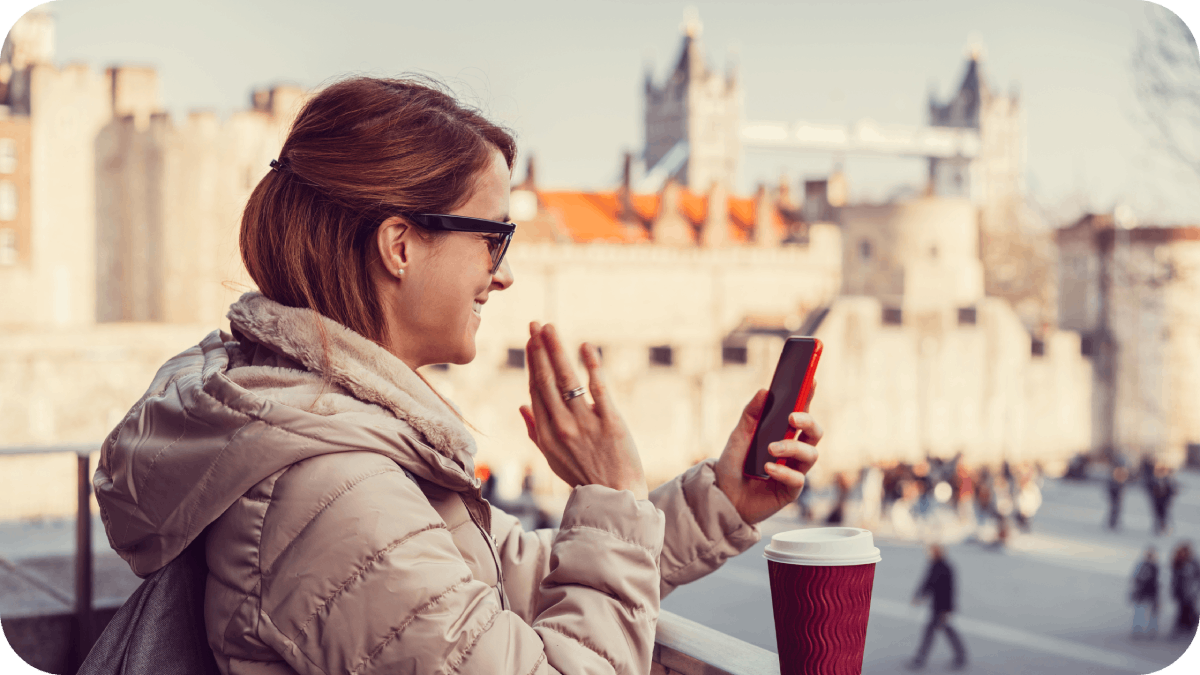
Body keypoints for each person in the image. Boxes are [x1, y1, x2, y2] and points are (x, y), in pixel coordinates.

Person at [92, 77, 827, 674]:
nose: (502, 276)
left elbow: (506, 575)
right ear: (400, 245)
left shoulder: (321, 429)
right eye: (493, 238)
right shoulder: (332, 492)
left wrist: (719, 500)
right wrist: (608, 490)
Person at [908, 544, 967, 670]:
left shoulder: (946, 568)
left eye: (932, 551)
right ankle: (961, 655)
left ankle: (920, 659)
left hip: (942, 607)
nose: (929, 554)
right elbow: (927, 583)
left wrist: (947, 609)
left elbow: (950, 590)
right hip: (936, 606)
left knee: (932, 632)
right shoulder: (934, 566)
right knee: (945, 631)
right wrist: (919, 596)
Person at [1170, 543, 1200, 639]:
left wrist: (1195, 589)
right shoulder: (1177, 562)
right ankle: (1183, 627)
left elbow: (1197, 576)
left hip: (1190, 591)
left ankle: (1187, 626)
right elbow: (1174, 578)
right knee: (1182, 609)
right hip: (1180, 591)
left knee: (1189, 609)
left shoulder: (1193, 562)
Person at [1130, 546, 1160, 639]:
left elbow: (1160, 581)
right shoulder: (1142, 565)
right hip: (1142, 592)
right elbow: (1135, 578)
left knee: (1152, 613)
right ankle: (1138, 629)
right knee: (1140, 612)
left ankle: (1151, 630)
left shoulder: (1156, 567)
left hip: (1152, 593)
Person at [1148, 464, 1178, 536]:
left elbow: (1172, 490)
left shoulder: (1168, 480)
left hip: (1165, 501)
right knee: (1157, 514)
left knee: (1164, 514)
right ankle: (1158, 527)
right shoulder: (1154, 480)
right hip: (1156, 500)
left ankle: (1163, 526)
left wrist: (1170, 496)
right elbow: (1149, 489)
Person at [1107, 465, 1128, 530]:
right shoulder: (1116, 472)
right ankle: (1112, 523)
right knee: (1115, 508)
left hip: (1117, 493)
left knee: (1116, 508)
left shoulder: (1119, 472)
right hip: (1114, 493)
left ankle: (1113, 522)